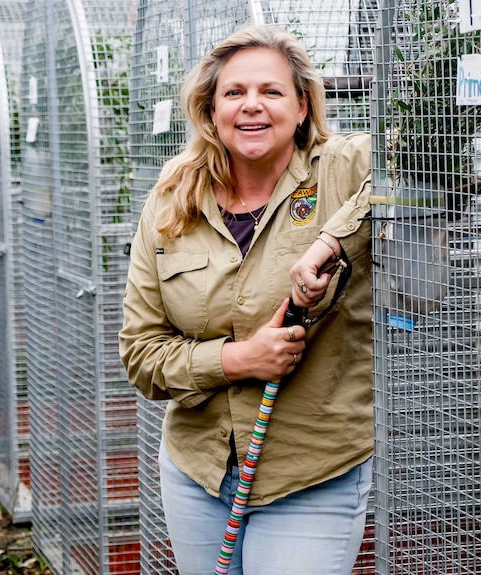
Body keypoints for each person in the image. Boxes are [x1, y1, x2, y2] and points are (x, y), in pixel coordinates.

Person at [119, 24, 372, 575]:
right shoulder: (171, 200)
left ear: (302, 106)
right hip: (198, 467)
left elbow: (422, 165)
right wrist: (240, 360)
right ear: (210, 111)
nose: (251, 106)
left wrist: (331, 242)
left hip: (311, 470)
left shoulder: (342, 167)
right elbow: (140, 354)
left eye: (271, 92)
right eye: (234, 93)